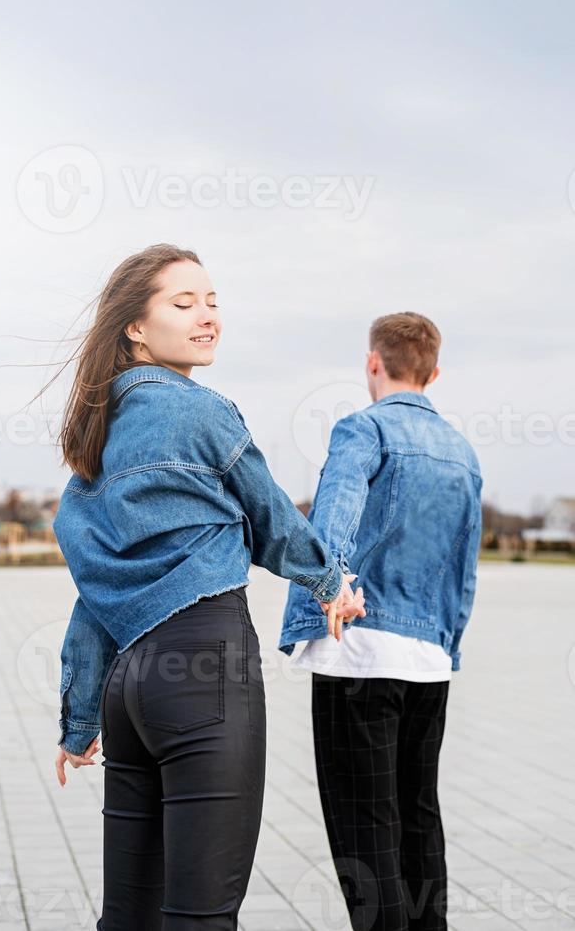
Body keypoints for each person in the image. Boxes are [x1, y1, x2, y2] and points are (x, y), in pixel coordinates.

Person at [49, 243, 366, 930]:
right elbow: (273, 518)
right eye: (184, 303)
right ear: (135, 326)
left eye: (213, 302)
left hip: (130, 690)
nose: (207, 317)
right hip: (202, 670)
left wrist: (79, 724)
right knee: (201, 918)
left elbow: (97, 597)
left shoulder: (98, 445)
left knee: (127, 919)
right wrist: (331, 581)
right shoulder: (201, 411)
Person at [278, 312, 482, 931]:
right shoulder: (463, 453)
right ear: (434, 371)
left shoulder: (361, 429)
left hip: (359, 650)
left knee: (365, 828)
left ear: (373, 363)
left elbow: (335, 511)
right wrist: (447, 646)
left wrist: (329, 585)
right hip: (428, 660)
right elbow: (463, 571)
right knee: (418, 815)